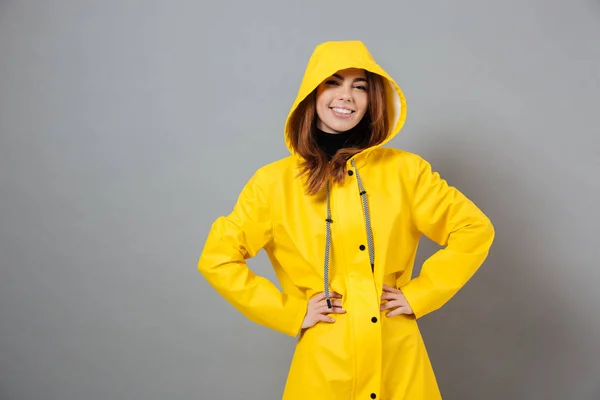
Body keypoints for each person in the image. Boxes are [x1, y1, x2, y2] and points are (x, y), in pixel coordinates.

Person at [197, 40, 495, 400]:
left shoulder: (404, 171)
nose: (347, 96)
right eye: (333, 82)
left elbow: (473, 229)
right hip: (324, 365)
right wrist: (291, 313)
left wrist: (421, 294)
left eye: (360, 87)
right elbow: (218, 257)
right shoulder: (274, 184)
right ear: (311, 93)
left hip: (397, 358)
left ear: (374, 100)